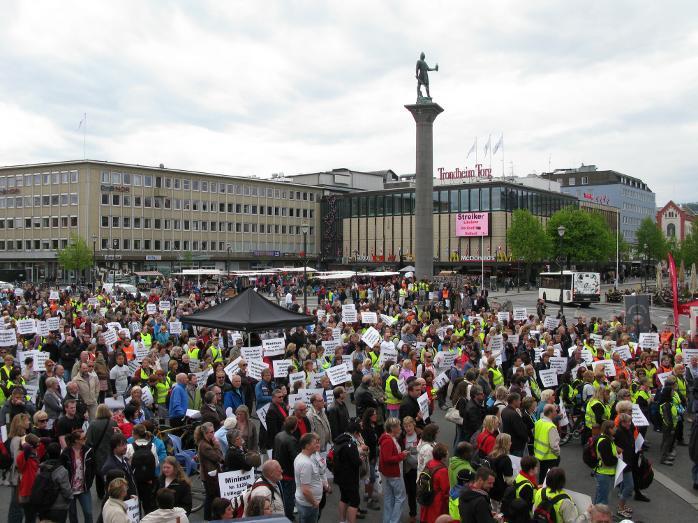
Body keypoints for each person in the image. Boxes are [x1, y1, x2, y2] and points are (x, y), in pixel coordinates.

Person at [333, 417, 366, 523]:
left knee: (344, 498)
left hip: (339, 475)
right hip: (350, 477)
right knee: (355, 501)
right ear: (355, 432)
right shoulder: (350, 444)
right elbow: (355, 462)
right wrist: (360, 459)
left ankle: (342, 521)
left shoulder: (340, 439)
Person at [61, 429, 95, 523]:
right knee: (72, 514)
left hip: (84, 488)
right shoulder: (66, 453)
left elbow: (93, 468)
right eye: (84, 438)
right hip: (70, 489)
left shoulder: (88, 451)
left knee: (88, 512)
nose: (86, 439)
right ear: (76, 440)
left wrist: (90, 481)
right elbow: (62, 470)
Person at [379, 417, 408, 523]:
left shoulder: (387, 438)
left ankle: (388, 520)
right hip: (393, 473)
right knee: (400, 498)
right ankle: (394, 521)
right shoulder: (388, 441)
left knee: (389, 498)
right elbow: (387, 459)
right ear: (392, 428)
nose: (400, 428)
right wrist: (401, 455)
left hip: (387, 473)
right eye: (398, 426)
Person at [86, 404, 117, 499]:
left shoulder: (93, 424)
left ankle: (100, 493)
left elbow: (88, 441)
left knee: (99, 474)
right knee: (112, 473)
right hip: (111, 452)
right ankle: (113, 491)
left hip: (98, 453)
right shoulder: (113, 423)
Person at [294, 432, 327, 523]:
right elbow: (305, 490)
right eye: (315, 443)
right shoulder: (306, 463)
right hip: (309, 505)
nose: (317, 445)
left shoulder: (301, 457)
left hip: (307, 503)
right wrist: (315, 503)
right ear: (308, 446)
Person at [195, 421, 224, 521]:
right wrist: (217, 446)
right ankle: (208, 518)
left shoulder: (208, 442)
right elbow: (217, 457)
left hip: (211, 474)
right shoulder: (204, 446)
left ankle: (210, 518)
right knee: (210, 497)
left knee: (211, 496)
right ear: (205, 433)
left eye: (213, 431)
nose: (213, 434)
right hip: (209, 476)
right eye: (211, 432)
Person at [273, 416, 300, 521]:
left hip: (279, 471)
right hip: (288, 473)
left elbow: (275, 452)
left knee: (281, 494)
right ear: (295, 426)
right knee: (289, 497)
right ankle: (288, 516)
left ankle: (282, 514)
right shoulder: (292, 440)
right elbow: (295, 458)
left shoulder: (278, 435)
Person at [420, 442, 450, 523]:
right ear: (443, 456)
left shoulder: (430, 463)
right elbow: (446, 490)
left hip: (427, 498)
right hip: (436, 502)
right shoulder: (442, 470)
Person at [101, 434, 138, 498]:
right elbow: (112, 490)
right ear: (114, 448)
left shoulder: (124, 459)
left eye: (125, 444)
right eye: (121, 445)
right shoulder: (109, 466)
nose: (125, 447)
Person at [593, 420, 619, 508]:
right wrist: (618, 459)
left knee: (600, 496)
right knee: (603, 499)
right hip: (604, 474)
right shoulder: (605, 442)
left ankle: (595, 514)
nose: (616, 428)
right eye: (614, 427)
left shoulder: (607, 439)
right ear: (609, 429)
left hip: (604, 473)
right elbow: (607, 461)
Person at [533, 403, 561, 483]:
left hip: (540, 455)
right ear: (550, 412)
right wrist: (558, 453)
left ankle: (540, 491)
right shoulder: (551, 426)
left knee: (542, 475)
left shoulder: (538, 422)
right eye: (555, 411)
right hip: (550, 456)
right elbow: (554, 445)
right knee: (551, 478)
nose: (556, 412)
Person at [487, 433, 514, 510]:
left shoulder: (490, 455)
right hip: (501, 492)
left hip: (491, 489)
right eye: (509, 441)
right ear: (506, 444)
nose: (511, 443)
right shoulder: (505, 459)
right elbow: (509, 480)